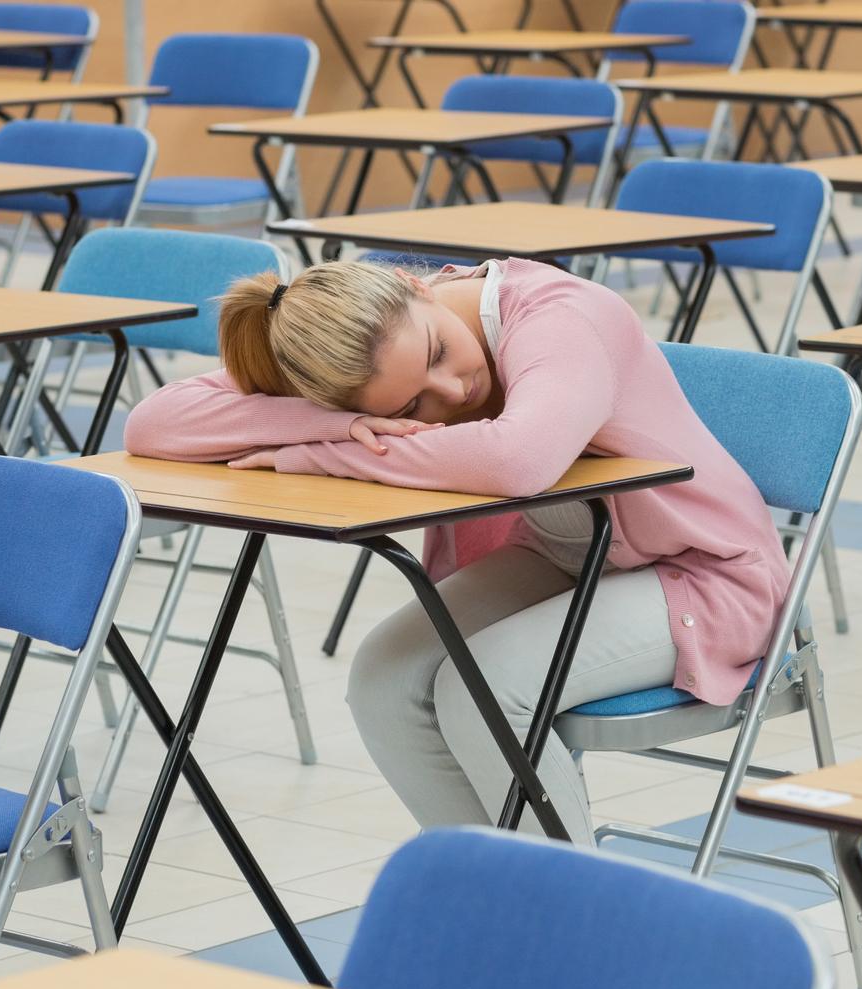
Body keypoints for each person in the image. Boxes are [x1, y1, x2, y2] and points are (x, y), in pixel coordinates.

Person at [124, 258, 788, 844]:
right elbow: (154, 424)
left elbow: (516, 460)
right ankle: (500, 900)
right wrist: (341, 422)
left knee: (486, 690)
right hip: (566, 562)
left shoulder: (560, 316)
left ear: (416, 287)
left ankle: (579, 922)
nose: (451, 392)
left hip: (705, 574)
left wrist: (325, 455)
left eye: (438, 352)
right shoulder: (357, 348)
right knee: (383, 678)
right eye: (412, 401)